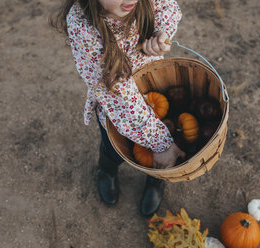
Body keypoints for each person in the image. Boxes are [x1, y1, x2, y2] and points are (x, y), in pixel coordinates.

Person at [50, 0, 185, 218]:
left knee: (160, 146)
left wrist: (161, 32)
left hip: (153, 88)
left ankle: (155, 178)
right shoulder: (82, 25)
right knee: (113, 148)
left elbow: (169, 7)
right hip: (115, 105)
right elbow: (117, 91)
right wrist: (161, 142)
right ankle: (107, 169)